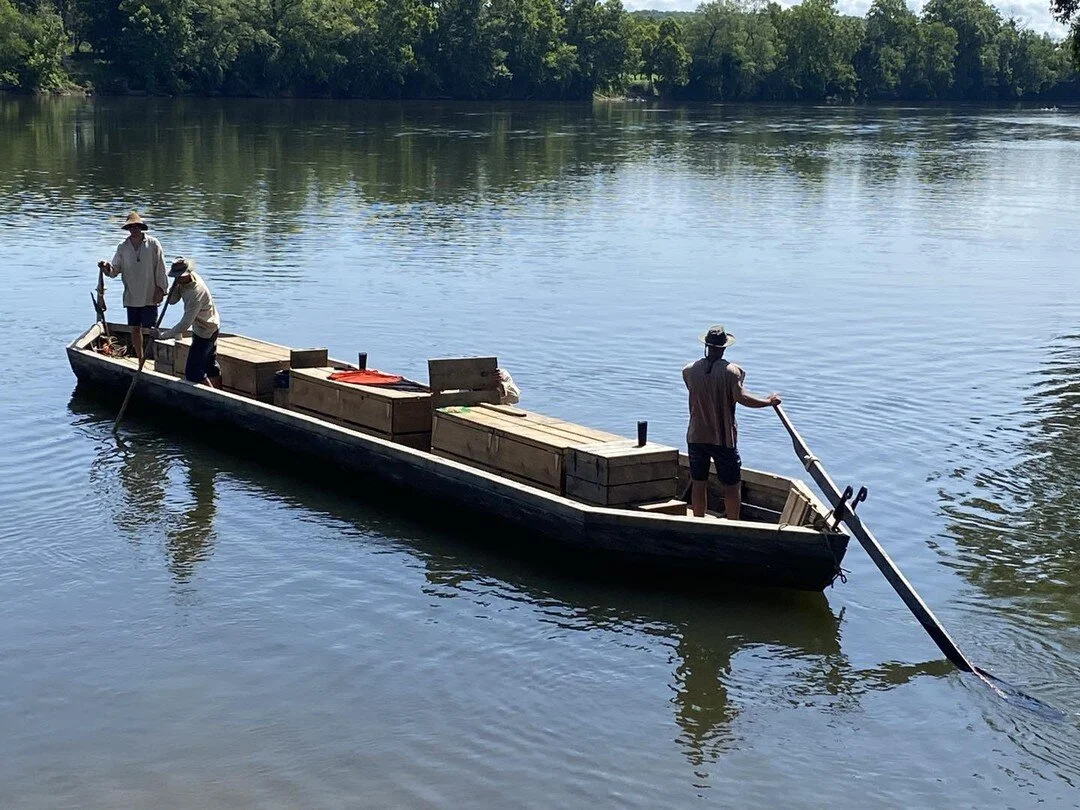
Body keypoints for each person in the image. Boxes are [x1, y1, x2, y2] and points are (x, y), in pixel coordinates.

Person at [682, 325, 780, 520]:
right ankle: (733, 524)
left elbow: (699, 388)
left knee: (698, 482)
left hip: (696, 436)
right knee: (732, 485)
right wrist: (769, 402)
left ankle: (698, 521)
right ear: (724, 347)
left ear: (706, 346)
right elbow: (742, 398)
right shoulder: (731, 372)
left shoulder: (688, 371)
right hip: (722, 438)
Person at [98, 211, 168, 365]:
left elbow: (161, 268)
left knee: (150, 330)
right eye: (131, 226)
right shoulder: (123, 247)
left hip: (150, 293)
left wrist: (161, 289)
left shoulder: (153, 244)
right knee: (135, 329)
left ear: (141, 227)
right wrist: (105, 267)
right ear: (128, 229)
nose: (134, 229)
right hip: (132, 294)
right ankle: (140, 358)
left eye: (137, 226)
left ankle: (153, 359)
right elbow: (114, 270)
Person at [157, 257, 222, 388]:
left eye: (179, 276)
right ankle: (219, 392)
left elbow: (184, 324)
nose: (177, 278)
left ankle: (215, 397)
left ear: (187, 274)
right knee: (209, 365)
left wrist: (162, 335)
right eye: (176, 276)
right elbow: (172, 300)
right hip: (204, 326)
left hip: (206, 329)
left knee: (194, 373)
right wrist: (174, 286)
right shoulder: (182, 282)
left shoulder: (195, 293)